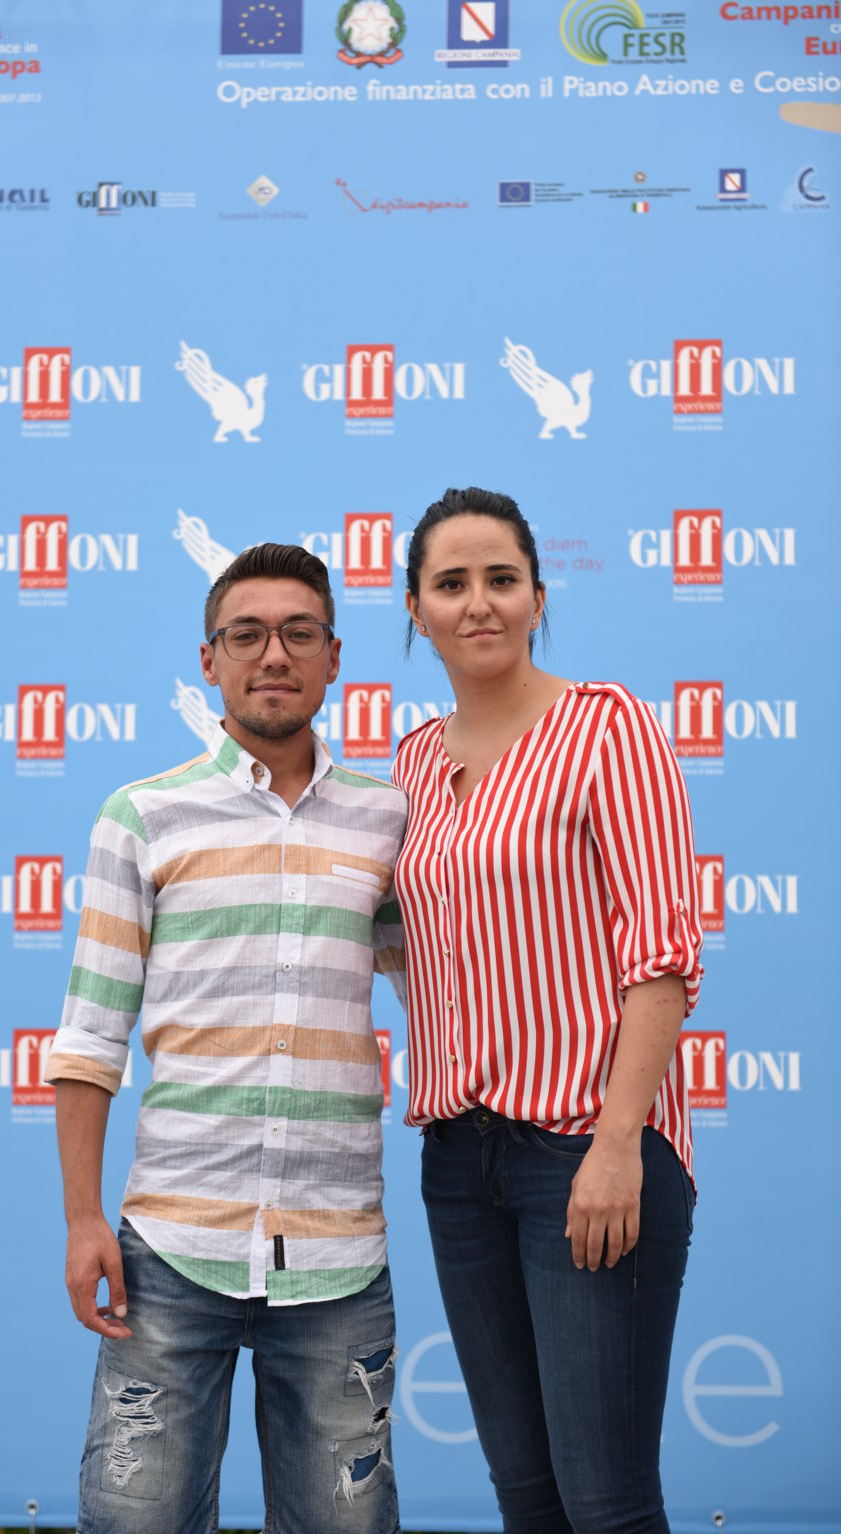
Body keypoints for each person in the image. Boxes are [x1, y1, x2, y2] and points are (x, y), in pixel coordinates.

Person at [45, 543, 407, 1534]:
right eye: (245, 634)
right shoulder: (142, 818)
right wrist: (85, 1222)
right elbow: (88, 1037)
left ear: (335, 657)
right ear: (209, 660)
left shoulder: (390, 821)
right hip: (171, 1251)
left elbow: (449, 983)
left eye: (298, 633)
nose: (273, 654)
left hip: (340, 1255)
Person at [392, 487, 703, 1534]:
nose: (477, 602)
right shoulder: (412, 766)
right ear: (415, 609)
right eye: (451, 583)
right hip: (457, 1165)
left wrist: (619, 1142)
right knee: (527, 1501)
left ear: (535, 596)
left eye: (500, 579)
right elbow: (417, 946)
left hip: (587, 1152)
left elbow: (660, 958)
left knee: (605, 1503)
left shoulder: (609, 729)